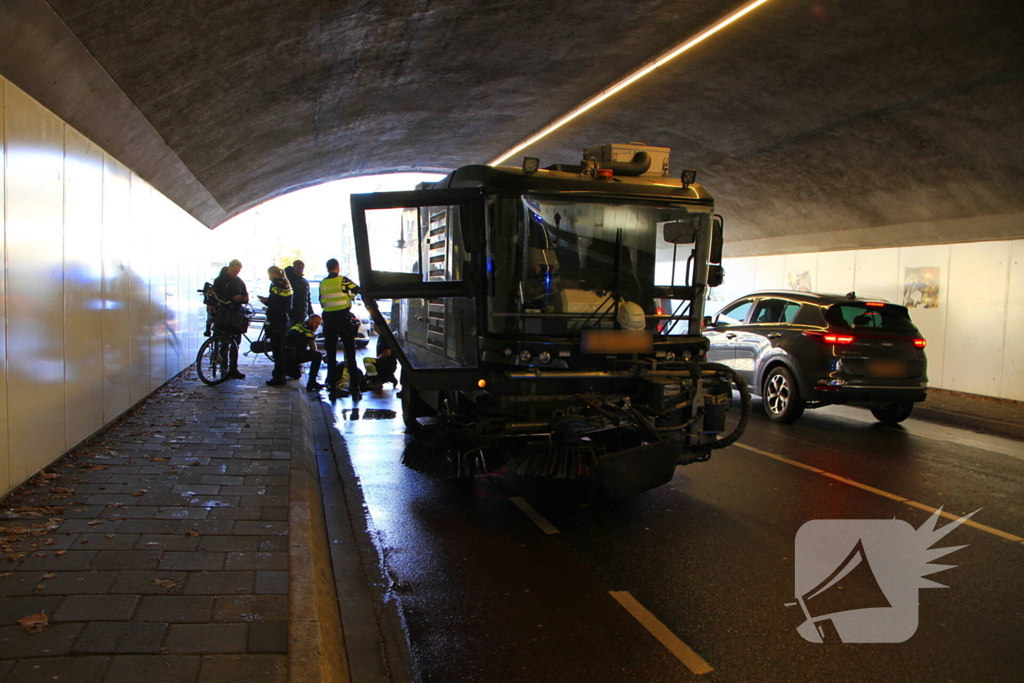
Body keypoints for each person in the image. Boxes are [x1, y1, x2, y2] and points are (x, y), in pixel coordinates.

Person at [319, 258, 362, 399]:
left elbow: (322, 301)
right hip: (343, 318)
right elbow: (357, 289)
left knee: (330, 354)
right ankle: (355, 388)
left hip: (329, 320)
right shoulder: (343, 280)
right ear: (337, 267)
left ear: (327, 268)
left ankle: (332, 387)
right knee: (350, 353)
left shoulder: (323, 283)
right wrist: (350, 297)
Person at [212, 259, 249, 379]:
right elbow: (217, 296)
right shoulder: (220, 280)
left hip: (236, 314)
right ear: (229, 267)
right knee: (225, 343)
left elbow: (245, 296)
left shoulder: (239, 281)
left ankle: (233, 369)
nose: (236, 273)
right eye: (234, 270)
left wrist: (243, 298)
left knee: (235, 343)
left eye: (238, 271)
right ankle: (224, 369)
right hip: (224, 314)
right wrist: (233, 299)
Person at [260, 266, 293, 387]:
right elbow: (283, 301)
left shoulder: (276, 284)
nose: (269, 276)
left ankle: (278, 377)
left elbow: (275, 303)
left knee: (277, 350)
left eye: (269, 273)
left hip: (277, 319)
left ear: (273, 273)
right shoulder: (286, 283)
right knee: (281, 348)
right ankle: (280, 375)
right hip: (284, 319)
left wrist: (265, 301)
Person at [285, 314, 324, 391]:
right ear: (310, 321)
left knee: (296, 375)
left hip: (287, 355)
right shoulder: (307, 329)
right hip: (293, 356)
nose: (317, 326)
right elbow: (313, 347)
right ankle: (312, 382)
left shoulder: (299, 326)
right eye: (316, 323)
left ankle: (284, 369)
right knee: (318, 356)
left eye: (319, 324)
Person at [362, 322, 399, 391]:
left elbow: (387, 352)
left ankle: (376, 381)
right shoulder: (382, 337)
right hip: (387, 364)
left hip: (388, 364)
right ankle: (380, 379)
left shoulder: (385, 337)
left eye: (375, 325)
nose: (374, 327)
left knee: (367, 360)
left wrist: (377, 360)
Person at [285, 260, 313, 326]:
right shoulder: (288, 280)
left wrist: (310, 313)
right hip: (291, 314)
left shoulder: (304, 282)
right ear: (293, 268)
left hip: (302, 314)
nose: (300, 270)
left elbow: (307, 299)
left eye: (302, 268)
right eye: (298, 267)